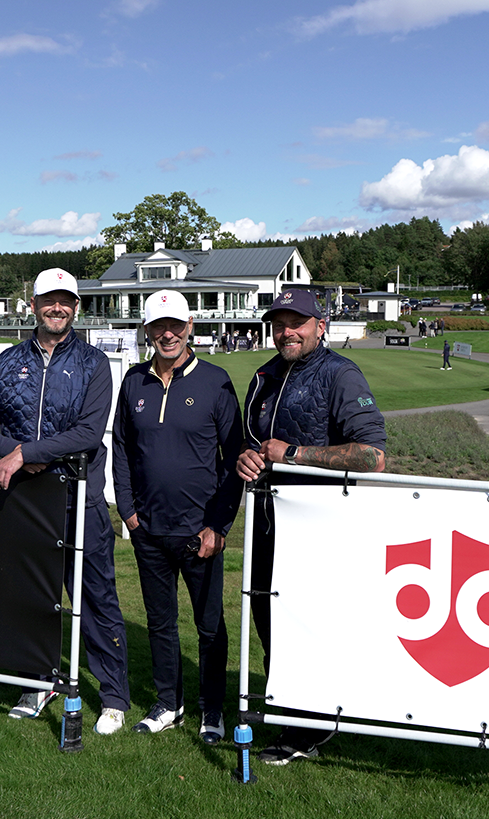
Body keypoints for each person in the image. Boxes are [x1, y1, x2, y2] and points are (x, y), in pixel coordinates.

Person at [0, 267, 131, 735]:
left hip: (79, 500)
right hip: (25, 502)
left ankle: (113, 696)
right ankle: (38, 682)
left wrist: (26, 454)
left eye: (65, 300)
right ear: (34, 305)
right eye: (48, 300)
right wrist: (16, 453)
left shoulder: (94, 363)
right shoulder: (7, 361)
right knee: (30, 598)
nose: (56, 307)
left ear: (75, 307)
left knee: (96, 600)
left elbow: (88, 433)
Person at [235, 289, 386, 766]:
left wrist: (295, 454)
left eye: (297, 322)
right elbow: (252, 443)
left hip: (318, 533)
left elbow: (373, 455)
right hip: (266, 527)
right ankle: (292, 710)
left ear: (320, 325)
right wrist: (246, 458)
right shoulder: (264, 376)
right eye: (279, 323)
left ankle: (309, 728)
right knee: (269, 625)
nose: (287, 332)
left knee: (306, 629)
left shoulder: (340, 373)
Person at [113, 290, 242, 744]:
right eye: (158, 326)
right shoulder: (134, 381)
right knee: (160, 622)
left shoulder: (216, 381)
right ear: (147, 331)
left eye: (174, 325)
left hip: (200, 532)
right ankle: (169, 702)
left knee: (210, 626)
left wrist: (219, 526)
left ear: (189, 326)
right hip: (148, 530)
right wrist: (128, 511)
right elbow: (122, 449)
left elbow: (234, 460)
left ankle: (212, 708)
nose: (167, 334)